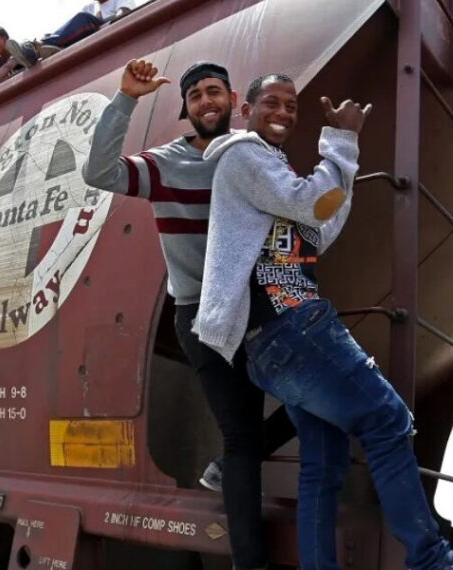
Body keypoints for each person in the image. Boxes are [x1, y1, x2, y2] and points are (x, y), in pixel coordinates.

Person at [195, 73, 453, 570]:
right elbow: (313, 201)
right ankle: (432, 562)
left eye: (291, 105)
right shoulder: (242, 155)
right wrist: (342, 141)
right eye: (272, 102)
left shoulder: (275, 170)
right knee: (387, 419)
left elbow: (322, 224)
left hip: (277, 337)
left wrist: (341, 161)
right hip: (292, 323)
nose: (284, 112)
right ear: (246, 110)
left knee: (323, 463)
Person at [82, 60, 295, 570]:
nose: (206, 101)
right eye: (196, 95)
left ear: (231, 98)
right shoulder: (164, 164)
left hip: (260, 304)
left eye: (214, 91)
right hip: (201, 315)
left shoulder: (251, 151)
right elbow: (98, 173)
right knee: (241, 436)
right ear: (187, 108)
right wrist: (126, 99)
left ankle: (225, 466)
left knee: (321, 401)